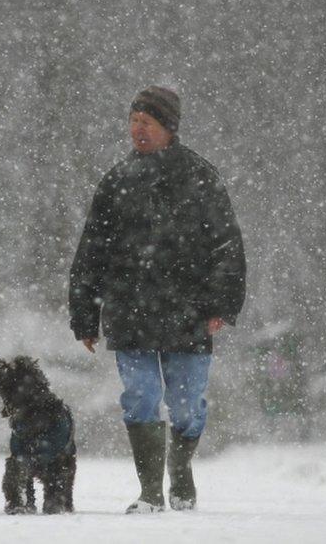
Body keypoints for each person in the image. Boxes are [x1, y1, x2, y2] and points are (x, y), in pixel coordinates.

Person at [69, 86, 246, 513]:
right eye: (133, 121)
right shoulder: (115, 181)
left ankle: (180, 470)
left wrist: (222, 304)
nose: (137, 130)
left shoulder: (201, 177)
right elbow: (91, 250)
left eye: (146, 122)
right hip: (129, 311)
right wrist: (84, 316)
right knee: (140, 395)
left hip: (189, 312)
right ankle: (150, 491)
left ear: (169, 127)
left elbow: (227, 245)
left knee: (186, 404)